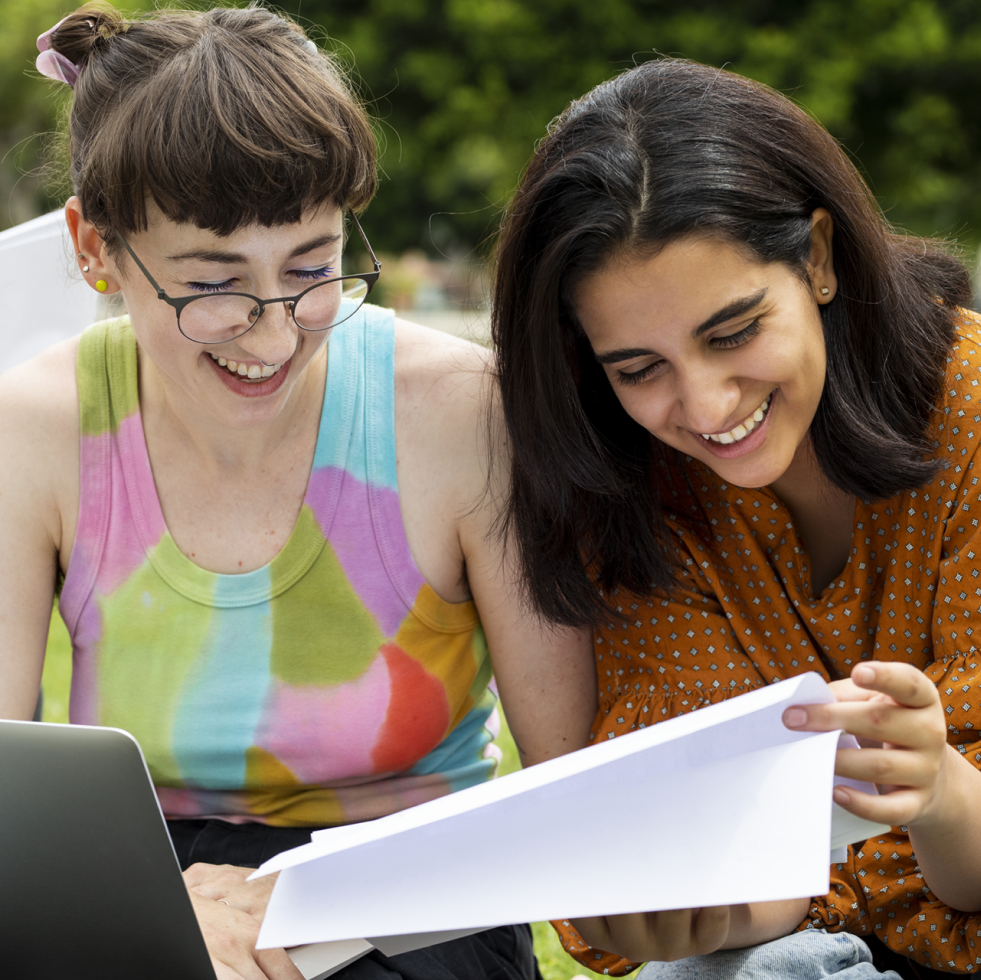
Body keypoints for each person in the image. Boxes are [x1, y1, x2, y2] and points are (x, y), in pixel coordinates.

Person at [0, 6, 595, 980]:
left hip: (417, 902)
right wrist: (162, 901)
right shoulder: (31, 430)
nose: (272, 334)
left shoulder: (461, 412)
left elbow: (570, 793)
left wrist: (322, 897)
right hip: (155, 891)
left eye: (314, 267)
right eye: (211, 284)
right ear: (94, 247)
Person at [492, 58, 981, 979]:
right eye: (639, 369)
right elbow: (762, 887)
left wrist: (944, 793)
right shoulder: (629, 487)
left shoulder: (971, 414)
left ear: (819, 259)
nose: (707, 406)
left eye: (732, 333)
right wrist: (671, 909)